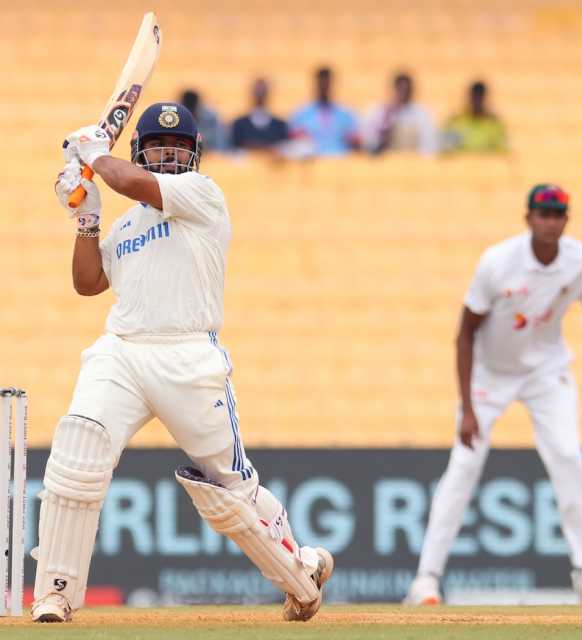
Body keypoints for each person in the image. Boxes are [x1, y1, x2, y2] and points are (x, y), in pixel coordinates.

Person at [35, 103, 333, 624]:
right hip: (122, 350)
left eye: (177, 149)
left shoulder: (203, 194)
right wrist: (85, 217)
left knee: (230, 491)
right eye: (156, 147)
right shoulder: (128, 222)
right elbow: (88, 283)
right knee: (77, 454)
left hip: (189, 354)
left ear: (194, 155)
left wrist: (92, 154)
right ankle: (55, 593)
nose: (168, 156)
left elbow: (132, 182)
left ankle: (299, 572)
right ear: (140, 151)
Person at [404, 184, 582, 606]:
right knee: (464, 466)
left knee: (568, 455)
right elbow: (465, 334)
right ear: (528, 217)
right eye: (542, 213)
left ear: (567, 220)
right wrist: (469, 408)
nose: (550, 220)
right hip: (489, 374)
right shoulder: (498, 262)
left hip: (547, 371)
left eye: (557, 214)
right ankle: (426, 579)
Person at [362, 72, 438, 156]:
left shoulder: (421, 114)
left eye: (406, 90)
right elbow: (369, 142)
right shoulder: (379, 111)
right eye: (400, 89)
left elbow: (428, 144)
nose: (403, 94)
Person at [289, 67, 359, 156]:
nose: (324, 87)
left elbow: (355, 140)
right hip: (311, 162)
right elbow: (294, 138)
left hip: (340, 162)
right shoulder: (301, 114)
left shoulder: (346, 114)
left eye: (327, 84)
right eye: (322, 83)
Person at [441, 80, 508, 153]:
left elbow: (503, 150)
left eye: (480, 97)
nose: (477, 101)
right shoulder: (456, 121)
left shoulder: (495, 124)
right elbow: (445, 148)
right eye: (475, 97)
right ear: (469, 97)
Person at [230, 78, 289, 151]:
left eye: (263, 91)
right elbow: (234, 151)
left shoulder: (280, 126)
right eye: (257, 91)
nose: (260, 95)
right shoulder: (239, 125)